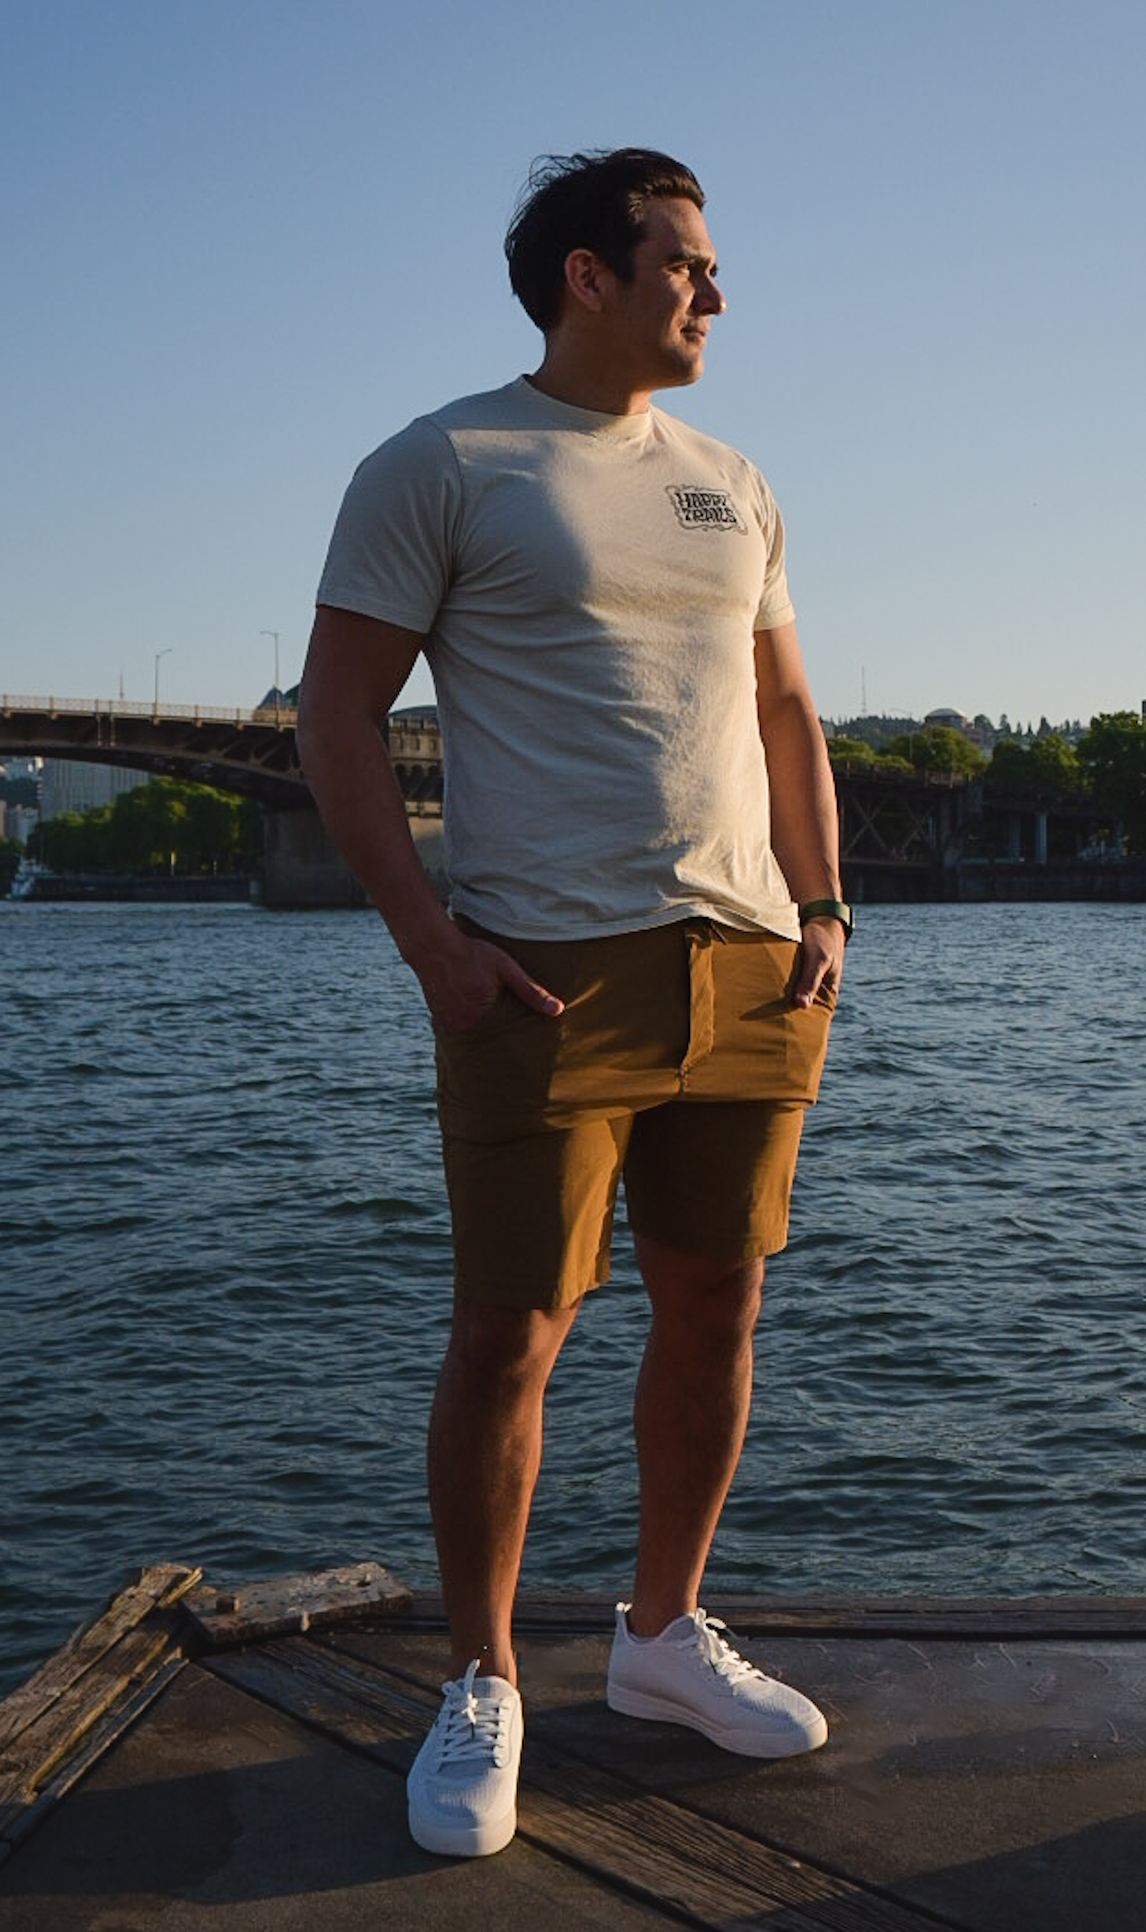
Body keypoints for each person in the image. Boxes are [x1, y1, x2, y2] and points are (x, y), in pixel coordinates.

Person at [297, 147, 849, 1860]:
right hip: (544, 970)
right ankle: (480, 1682)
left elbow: (787, 710)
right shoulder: (444, 462)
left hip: (749, 959)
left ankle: (661, 1639)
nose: (716, 290)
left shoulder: (735, 481)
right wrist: (430, 946)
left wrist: (824, 904)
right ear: (585, 279)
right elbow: (331, 719)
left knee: (717, 1315)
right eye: (683, 261)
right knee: (513, 1333)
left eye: (713, 262)